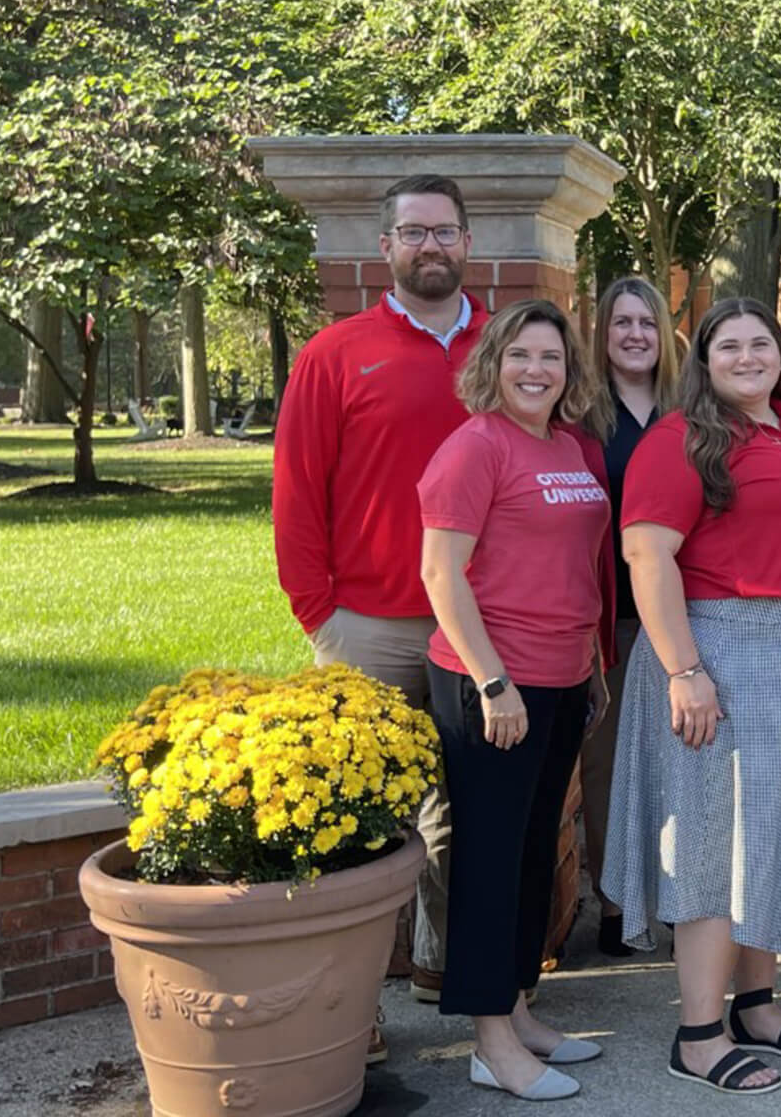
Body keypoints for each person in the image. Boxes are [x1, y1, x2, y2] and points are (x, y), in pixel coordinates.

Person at [605, 298, 781, 1095]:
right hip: (724, 655)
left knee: (772, 832)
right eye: (728, 346)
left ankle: (756, 1005)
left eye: (760, 342)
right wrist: (685, 671)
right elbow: (646, 555)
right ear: (704, 361)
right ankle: (698, 1033)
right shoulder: (683, 438)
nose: (746, 356)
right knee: (711, 841)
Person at [272, 174, 481, 1061]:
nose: (429, 246)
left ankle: (442, 971)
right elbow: (296, 491)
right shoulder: (336, 351)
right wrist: (321, 615)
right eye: (412, 232)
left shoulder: (510, 348)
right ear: (384, 246)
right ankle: (351, 1010)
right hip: (368, 623)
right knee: (356, 815)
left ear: (467, 244)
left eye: (444, 232)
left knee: (458, 812)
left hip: (474, 625)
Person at [417, 299, 616, 1101]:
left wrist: (593, 667)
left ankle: (521, 1007)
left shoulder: (565, 445)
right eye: (521, 356)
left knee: (538, 848)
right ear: (492, 362)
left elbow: (575, 572)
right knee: (491, 859)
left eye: (553, 359)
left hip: (565, 676)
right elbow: (441, 576)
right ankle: (489, 1042)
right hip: (493, 680)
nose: (537, 370)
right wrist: (493, 680)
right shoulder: (474, 448)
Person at [579, 277, 683, 958]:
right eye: (622, 323)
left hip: (682, 613)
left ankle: (681, 897)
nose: (636, 334)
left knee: (683, 761)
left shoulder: (690, 409)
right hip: (611, 614)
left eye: (647, 322)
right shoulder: (582, 415)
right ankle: (617, 901)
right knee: (609, 765)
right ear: (603, 333)